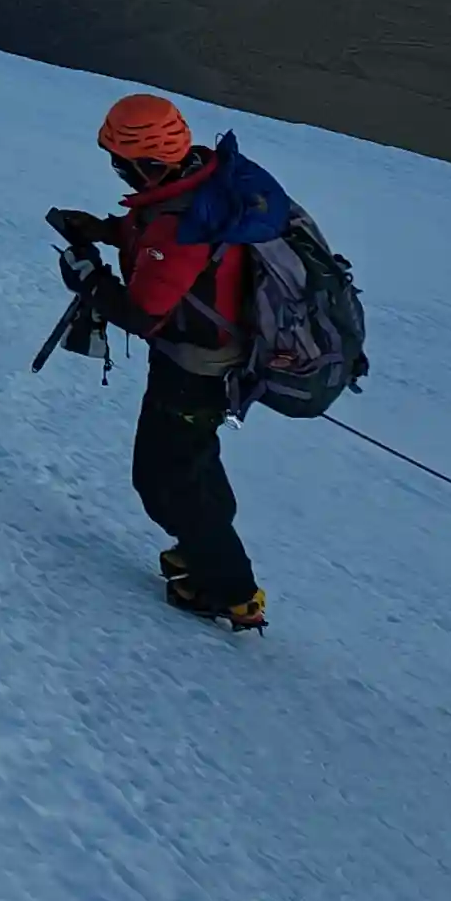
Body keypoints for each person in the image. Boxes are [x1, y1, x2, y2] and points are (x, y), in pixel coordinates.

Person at [49, 92, 266, 629]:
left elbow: (144, 311)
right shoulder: (200, 183)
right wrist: (105, 230)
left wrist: (88, 277)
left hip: (195, 371)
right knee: (191, 465)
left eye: (120, 161)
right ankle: (205, 551)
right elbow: (163, 239)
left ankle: (230, 590)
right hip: (213, 361)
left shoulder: (180, 222)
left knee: (165, 479)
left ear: (146, 162)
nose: (116, 170)